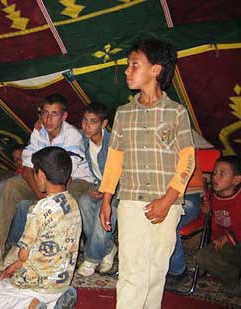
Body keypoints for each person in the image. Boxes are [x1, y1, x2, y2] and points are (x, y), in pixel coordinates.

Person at [99, 38, 195, 308]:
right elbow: (115, 159)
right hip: (130, 200)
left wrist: (168, 200)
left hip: (168, 202)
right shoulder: (123, 113)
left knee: (156, 269)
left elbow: (187, 160)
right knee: (131, 271)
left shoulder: (176, 113)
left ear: (156, 70)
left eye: (134, 65)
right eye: (128, 65)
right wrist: (107, 198)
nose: (127, 71)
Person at [0, 94, 93, 272]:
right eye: (45, 113)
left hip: (75, 181)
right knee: (11, 185)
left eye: (54, 114)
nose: (48, 119)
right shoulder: (39, 132)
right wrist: (40, 194)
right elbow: (27, 168)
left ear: (64, 116)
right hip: (46, 181)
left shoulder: (72, 136)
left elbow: (63, 174)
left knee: (60, 203)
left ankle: (53, 254)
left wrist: (44, 198)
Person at [0, 147, 81, 308]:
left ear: (41, 175)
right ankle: (54, 302)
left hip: (35, 283)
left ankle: (29, 306)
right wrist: (16, 265)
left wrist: (17, 264)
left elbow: (24, 255)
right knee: (41, 291)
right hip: (61, 282)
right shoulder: (73, 204)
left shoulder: (39, 209)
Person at [76, 103, 118, 277]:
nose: (87, 126)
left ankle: (92, 258)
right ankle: (108, 248)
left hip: (118, 187)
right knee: (84, 201)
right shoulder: (83, 139)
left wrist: (105, 191)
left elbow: (118, 173)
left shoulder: (113, 143)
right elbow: (63, 128)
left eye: (93, 122)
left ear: (103, 123)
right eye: (84, 121)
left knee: (105, 209)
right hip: (99, 184)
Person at [196, 155, 241, 295]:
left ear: (236, 179)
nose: (215, 177)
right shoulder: (211, 196)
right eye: (214, 173)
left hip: (237, 240)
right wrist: (205, 211)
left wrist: (229, 237)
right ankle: (234, 281)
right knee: (202, 258)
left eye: (222, 173)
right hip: (223, 245)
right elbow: (207, 222)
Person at [165, 162, 204, 290]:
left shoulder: (182, 146)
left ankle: (178, 271)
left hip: (188, 195)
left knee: (169, 224)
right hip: (163, 197)